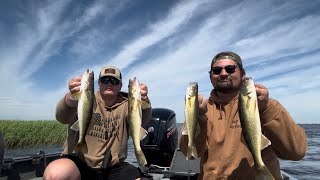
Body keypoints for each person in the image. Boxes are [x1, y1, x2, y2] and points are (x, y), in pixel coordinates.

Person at [179, 51, 308, 180]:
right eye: (217, 70)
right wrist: (199, 119)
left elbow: (296, 152)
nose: (223, 74)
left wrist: (267, 109)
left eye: (230, 69)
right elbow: (190, 155)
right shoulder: (202, 109)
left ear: (243, 74)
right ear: (211, 77)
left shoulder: (265, 106)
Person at [44, 66, 152, 180]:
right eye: (105, 80)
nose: (109, 83)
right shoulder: (84, 99)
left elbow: (143, 120)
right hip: (80, 163)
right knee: (55, 174)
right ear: (99, 83)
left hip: (114, 167)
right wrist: (70, 98)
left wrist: (144, 100)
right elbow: (62, 117)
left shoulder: (128, 104)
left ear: (120, 85)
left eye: (114, 81)